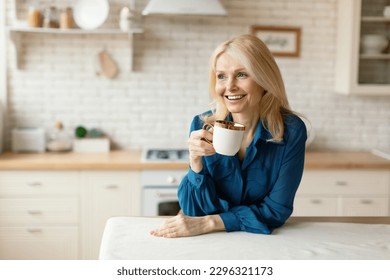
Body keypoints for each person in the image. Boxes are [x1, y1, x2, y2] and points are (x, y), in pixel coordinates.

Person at [150, 34, 307, 238]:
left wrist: (211, 221)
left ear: (264, 80)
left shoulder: (291, 131)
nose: (229, 86)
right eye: (221, 76)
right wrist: (195, 162)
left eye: (241, 75)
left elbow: (276, 211)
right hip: (210, 241)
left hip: (262, 243)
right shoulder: (202, 125)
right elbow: (192, 211)